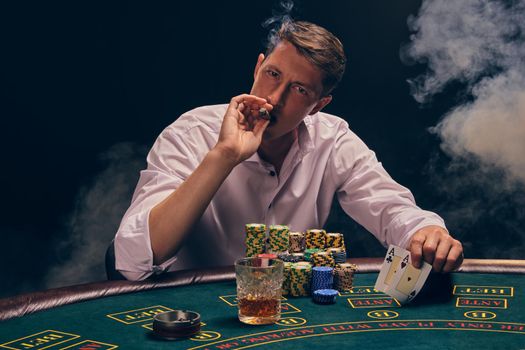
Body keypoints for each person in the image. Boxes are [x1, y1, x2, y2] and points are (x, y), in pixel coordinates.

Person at [114, 20, 463, 281]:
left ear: (319, 105)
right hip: (192, 310)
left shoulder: (334, 139)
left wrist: (425, 232)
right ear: (257, 66)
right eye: (272, 74)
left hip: (285, 313)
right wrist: (223, 156)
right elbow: (132, 259)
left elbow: (390, 208)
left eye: (298, 90)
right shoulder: (190, 133)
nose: (273, 98)